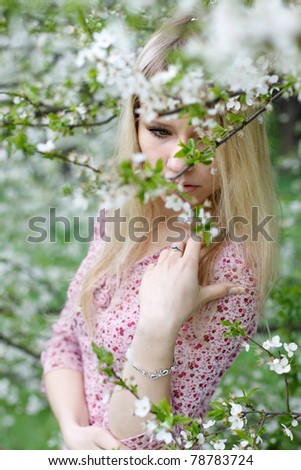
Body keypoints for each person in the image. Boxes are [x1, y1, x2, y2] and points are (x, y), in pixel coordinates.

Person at [41, 15, 279, 450]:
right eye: (160, 131)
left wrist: (158, 326)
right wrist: (74, 432)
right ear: (134, 126)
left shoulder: (229, 266)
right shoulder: (122, 209)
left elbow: (145, 448)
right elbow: (64, 341)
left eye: (207, 139)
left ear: (240, 142)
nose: (177, 163)